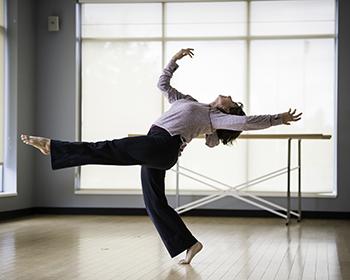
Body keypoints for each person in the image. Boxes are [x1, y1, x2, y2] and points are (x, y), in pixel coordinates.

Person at [21, 48, 302, 265]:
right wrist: (174, 59)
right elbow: (163, 84)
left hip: (162, 145)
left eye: (233, 101)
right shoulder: (188, 100)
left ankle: (54, 147)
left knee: (110, 147)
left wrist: (278, 118)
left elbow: (249, 122)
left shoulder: (215, 118)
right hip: (157, 147)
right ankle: (189, 244)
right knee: (154, 202)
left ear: (227, 111)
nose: (229, 96)